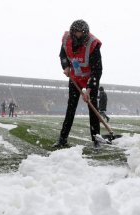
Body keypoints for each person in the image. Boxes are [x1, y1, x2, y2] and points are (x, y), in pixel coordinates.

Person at [53, 19, 102, 148]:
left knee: (93, 108)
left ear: (86, 33)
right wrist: (65, 66)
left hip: (90, 78)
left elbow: (97, 70)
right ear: (72, 32)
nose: (78, 35)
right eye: (76, 32)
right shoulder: (66, 40)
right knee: (71, 108)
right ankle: (62, 139)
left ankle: (97, 140)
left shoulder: (93, 44)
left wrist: (89, 90)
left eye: (81, 33)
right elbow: (62, 54)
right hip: (75, 77)